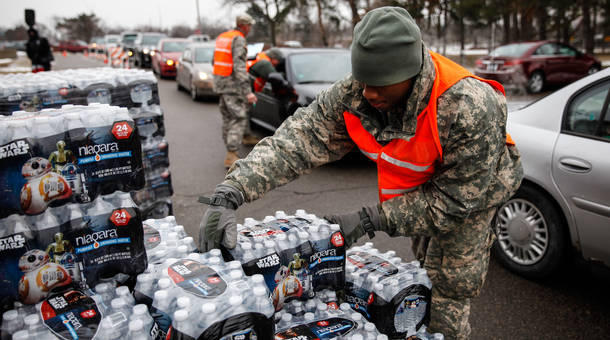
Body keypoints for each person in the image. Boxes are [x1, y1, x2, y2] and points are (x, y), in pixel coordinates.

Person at [200, 6, 523, 339]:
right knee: (420, 271)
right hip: (420, 184)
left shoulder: (468, 106)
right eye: (363, 80)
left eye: (381, 83)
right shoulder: (357, 92)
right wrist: (230, 192)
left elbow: (455, 202)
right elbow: (297, 139)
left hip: (470, 194)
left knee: (449, 284)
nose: (369, 92)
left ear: (410, 74)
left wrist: (371, 219)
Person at [213, 13, 259, 168]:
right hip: (233, 86)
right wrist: (248, 92)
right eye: (250, 26)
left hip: (221, 83)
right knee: (238, 118)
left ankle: (238, 142)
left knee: (227, 117)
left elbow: (215, 60)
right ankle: (231, 154)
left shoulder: (223, 37)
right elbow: (239, 66)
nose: (250, 29)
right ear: (244, 25)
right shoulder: (238, 39)